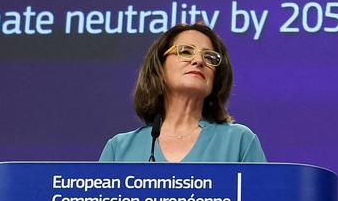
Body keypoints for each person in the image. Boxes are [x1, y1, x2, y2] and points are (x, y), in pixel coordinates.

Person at [100, 23, 266, 162]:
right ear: (160, 67)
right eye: (186, 51)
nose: (199, 61)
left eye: (209, 57)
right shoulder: (119, 150)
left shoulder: (239, 142)